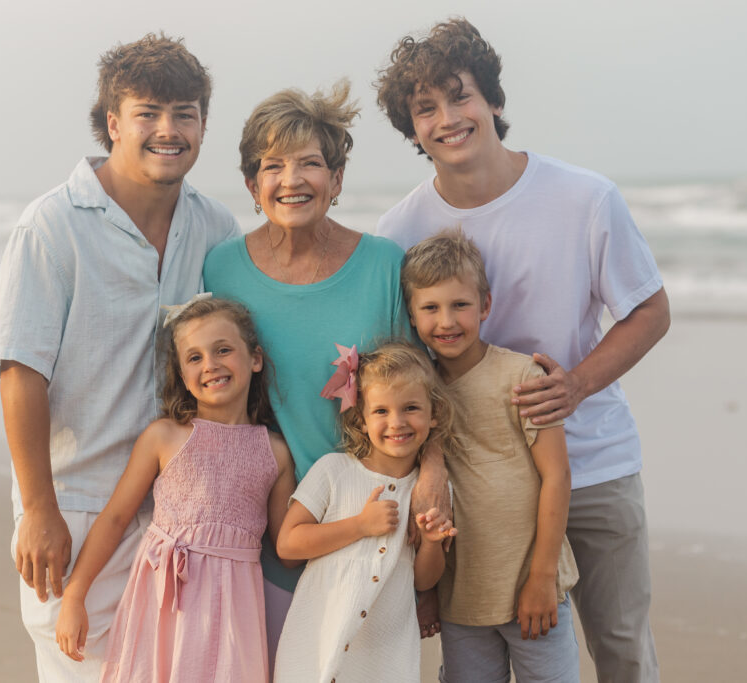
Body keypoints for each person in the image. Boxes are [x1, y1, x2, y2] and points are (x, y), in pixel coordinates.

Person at [376, 18, 671, 683]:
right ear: (413, 129)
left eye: (461, 96)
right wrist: (427, 467)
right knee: (480, 660)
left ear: (495, 103)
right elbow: (407, 369)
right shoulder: (399, 231)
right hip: (475, 486)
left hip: (591, 464)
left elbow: (651, 310)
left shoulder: (585, 198)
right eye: (426, 109)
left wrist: (576, 385)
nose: (447, 119)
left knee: (622, 648)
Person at [0, 34, 239, 680]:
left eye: (184, 113)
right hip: (77, 506)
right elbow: (21, 372)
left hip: (181, 514)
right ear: (113, 122)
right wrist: (38, 506)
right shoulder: (53, 224)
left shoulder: (213, 227)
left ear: (203, 124)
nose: (167, 130)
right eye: (148, 113)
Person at [202, 80, 444, 669]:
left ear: (336, 180)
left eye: (311, 163)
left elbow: (422, 393)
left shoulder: (384, 263)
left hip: (380, 533)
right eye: (273, 165)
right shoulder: (221, 268)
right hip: (274, 537)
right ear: (252, 186)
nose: (292, 180)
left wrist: (434, 471)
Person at [55, 297, 295, 681]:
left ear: (255, 358)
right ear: (182, 376)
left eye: (223, 350)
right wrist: (75, 595)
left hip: (235, 610)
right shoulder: (165, 437)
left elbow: (288, 548)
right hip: (164, 605)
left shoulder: (276, 452)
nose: (210, 365)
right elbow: (116, 518)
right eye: (194, 358)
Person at [402, 230, 580, 682]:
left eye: (460, 305)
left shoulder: (521, 376)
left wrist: (542, 577)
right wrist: (427, 594)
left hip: (532, 588)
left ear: (484, 306)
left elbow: (557, 477)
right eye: (430, 308)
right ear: (412, 314)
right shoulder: (416, 394)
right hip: (462, 598)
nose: (446, 321)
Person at [274, 341, 458, 682]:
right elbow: (288, 544)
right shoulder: (334, 471)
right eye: (381, 411)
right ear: (361, 420)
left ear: (434, 414)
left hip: (384, 655)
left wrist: (432, 543)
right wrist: (360, 525)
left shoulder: (432, 492)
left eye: (411, 408)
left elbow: (423, 580)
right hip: (316, 647)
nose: (397, 422)